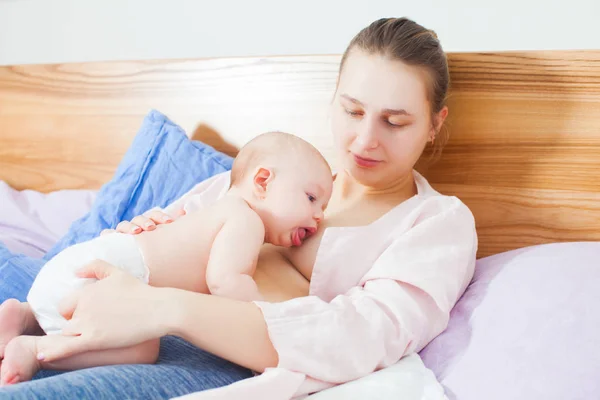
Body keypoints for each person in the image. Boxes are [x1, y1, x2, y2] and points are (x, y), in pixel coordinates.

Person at [0, 17, 477, 400]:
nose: (366, 139)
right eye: (353, 111)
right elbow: (183, 223)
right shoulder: (284, 171)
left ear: (435, 124)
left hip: (199, 352)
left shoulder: (436, 223)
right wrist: (144, 231)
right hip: (100, 286)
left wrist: (163, 308)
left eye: (395, 121)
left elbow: (359, 337)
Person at [0, 132, 332, 386]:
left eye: (322, 208)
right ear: (263, 181)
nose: (318, 217)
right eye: (311, 198)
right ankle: (37, 350)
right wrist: (270, 316)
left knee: (68, 310)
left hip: (81, 263)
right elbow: (226, 282)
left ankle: (24, 315)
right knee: (144, 350)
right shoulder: (247, 222)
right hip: (111, 276)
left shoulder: (212, 211)